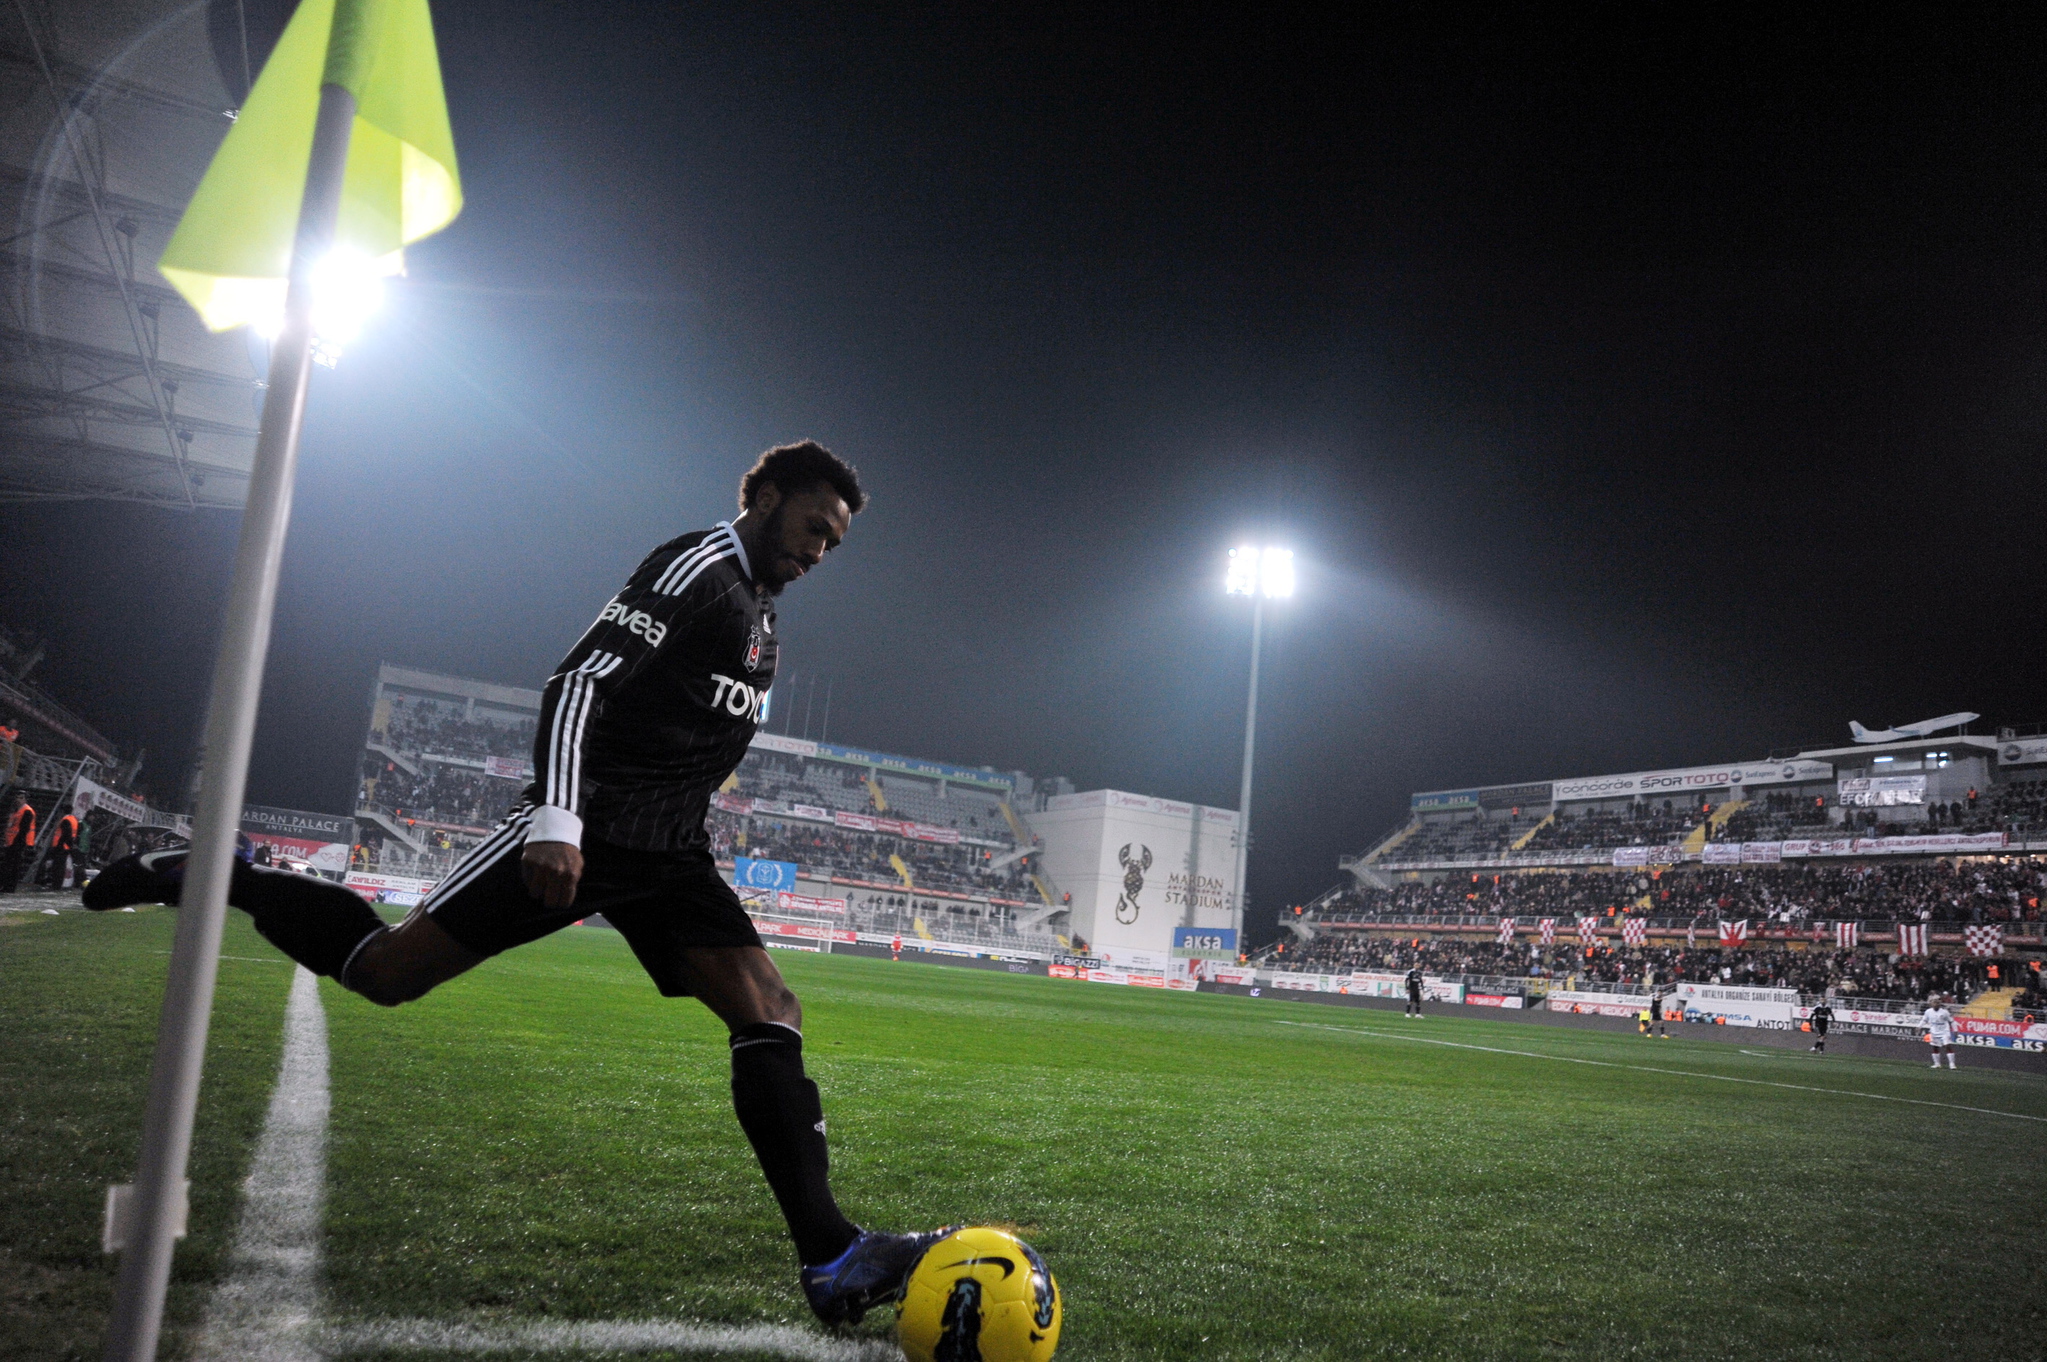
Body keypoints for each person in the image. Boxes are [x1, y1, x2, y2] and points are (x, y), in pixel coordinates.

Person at [86, 442, 950, 1325]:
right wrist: (559, 820)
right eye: (813, 528)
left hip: (669, 853)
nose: (818, 552)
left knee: (770, 1007)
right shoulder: (696, 567)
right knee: (387, 973)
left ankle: (832, 1256)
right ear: (765, 498)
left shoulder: (760, 612)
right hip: (589, 831)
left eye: (833, 544)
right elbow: (579, 683)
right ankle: (217, 877)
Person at [1, 792, 35, 893]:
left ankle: (10, 887)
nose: (18, 800)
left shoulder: (26, 811)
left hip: (17, 842)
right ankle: (6, 885)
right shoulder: (17, 811)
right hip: (11, 841)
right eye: (17, 797)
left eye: (20, 798)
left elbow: (24, 829)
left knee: (13, 865)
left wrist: (17, 841)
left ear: (25, 800)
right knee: (8, 864)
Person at [38, 806, 78, 888]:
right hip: (66, 846)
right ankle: (57, 884)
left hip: (61, 846)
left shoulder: (65, 820)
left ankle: (56, 884)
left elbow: (65, 834)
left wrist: (60, 845)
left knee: (58, 867)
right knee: (60, 866)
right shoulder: (73, 820)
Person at [1922, 996, 1957, 1070]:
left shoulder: (1944, 1012)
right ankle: (1937, 1064)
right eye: (1934, 1003)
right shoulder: (1928, 1011)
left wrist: (1955, 1030)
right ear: (1931, 1004)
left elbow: (1952, 1021)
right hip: (1934, 1031)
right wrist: (1919, 1026)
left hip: (1944, 1031)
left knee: (1947, 1046)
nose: (1936, 1004)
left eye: (1937, 1003)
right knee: (1935, 1047)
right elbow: (1924, 1020)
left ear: (1939, 1004)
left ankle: (1952, 1064)